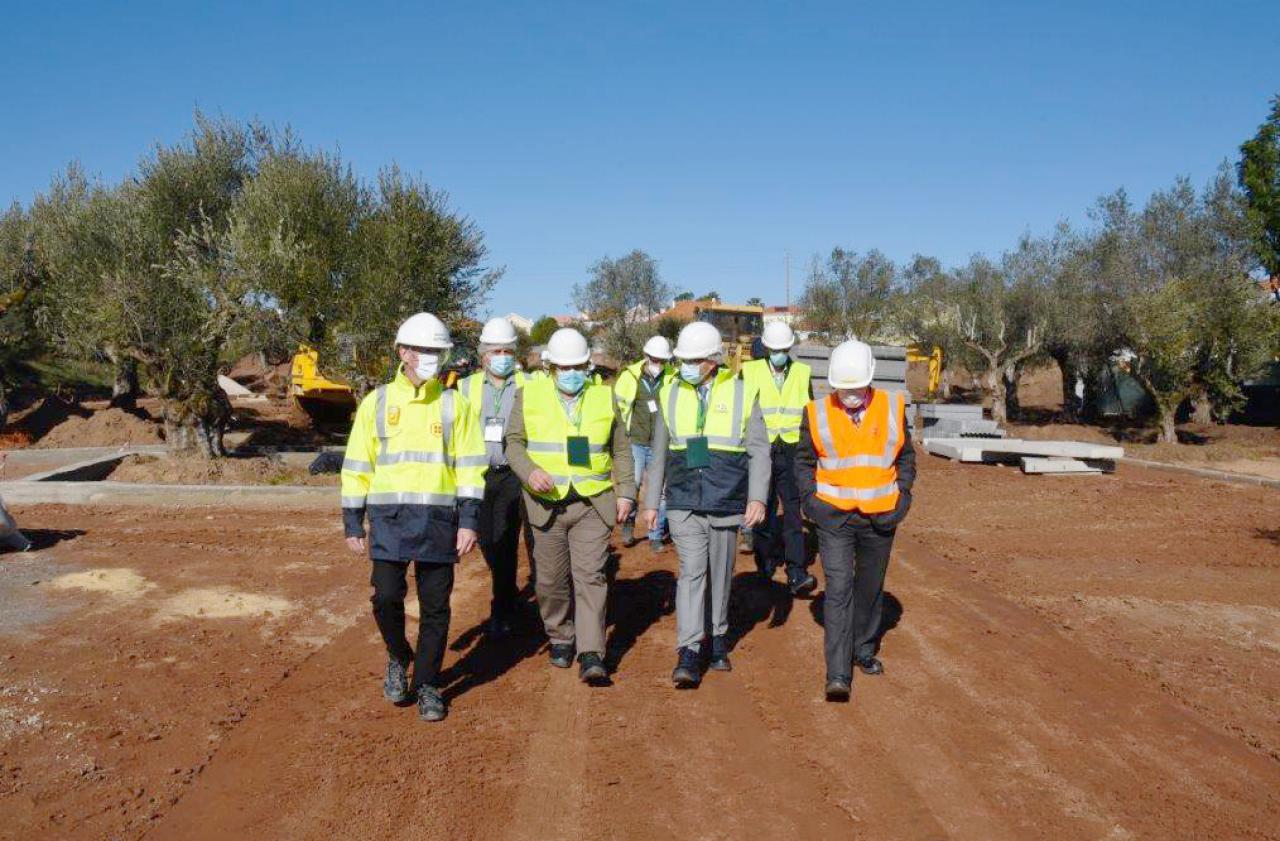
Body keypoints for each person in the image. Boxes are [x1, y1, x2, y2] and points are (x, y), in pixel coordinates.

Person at [340, 313, 486, 722]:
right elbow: (356, 465)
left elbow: (472, 467)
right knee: (386, 597)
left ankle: (426, 684)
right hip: (388, 520)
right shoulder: (378, 401)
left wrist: (470, 520)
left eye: (438, 352)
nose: (431, 358)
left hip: (440, 522)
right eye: (424, 350)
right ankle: (397, 654)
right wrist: (353, 521)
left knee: (436, 608)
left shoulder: (455, 404)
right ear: (403, 352)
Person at [642, 321, 769, 688]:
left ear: (713, 361)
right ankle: (689, 650)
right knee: (692, 571)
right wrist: (652, 502)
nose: (685, 365)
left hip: (726, 498)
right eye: (683, 359)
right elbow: (659, 452)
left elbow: (759, 450)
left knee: (719, 575)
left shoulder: (744, 393)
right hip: (683, 500)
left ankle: (717, 639)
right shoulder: (670, 392)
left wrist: (757, 497)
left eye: (693, 359)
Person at [506, 327, 636, 685]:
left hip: (592, 503)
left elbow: (621, 450)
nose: (572, 372)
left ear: (587, 365)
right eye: (565, 367)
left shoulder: (603, 398)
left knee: (591, 576)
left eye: (578, 365)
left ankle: (592, 652)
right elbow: (513, 443)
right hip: (545, 505)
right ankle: (561, 636)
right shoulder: (527, 395)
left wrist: (626, 492)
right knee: (549, 581)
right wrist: (530, 472)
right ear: (551, 368)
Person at [794, 340, 915, 701]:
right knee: (839, 587)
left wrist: (903, 496)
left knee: (869, 586)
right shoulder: (815, 412)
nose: (848, 394)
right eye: (841, 388)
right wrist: (810, 503)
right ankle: (837, 673)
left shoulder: (893, 406)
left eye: (855, 387)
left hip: (881, 515)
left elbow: (906, 457)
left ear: (869, 379)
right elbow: (802, 461)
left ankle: (863, 648)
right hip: (833, 516)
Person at [457, 316, 527, 638]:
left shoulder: (528, 385)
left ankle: (500, 611)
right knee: (486, 540)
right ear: (483, 354)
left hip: (512, 474)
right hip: (478, 475)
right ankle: (509, 592)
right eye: (495, 350)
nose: (502, 357)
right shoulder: (465, 386)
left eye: (507, 350)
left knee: (506, 538)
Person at [741, 322, 816, 595]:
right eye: (775, 350)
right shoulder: (749, 372)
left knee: (793, 514)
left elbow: (809, 414)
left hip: (792, 451)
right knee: (764, 510)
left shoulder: (801, 373)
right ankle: (765, 564)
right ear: (767, 348)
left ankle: (797, 572)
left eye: (784, 349)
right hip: (761, 451)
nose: (779, 354)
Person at [613, 335, 674, 552]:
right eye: (655, 359)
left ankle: (655, 534)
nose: (658, 364)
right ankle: (629, 525)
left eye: (662, 360)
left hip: (660, 445)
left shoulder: (672, 378)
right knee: (634, 485)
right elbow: (618, 410)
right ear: (646, 356)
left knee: (661, 492)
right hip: (636, 442)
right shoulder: (630, 378)